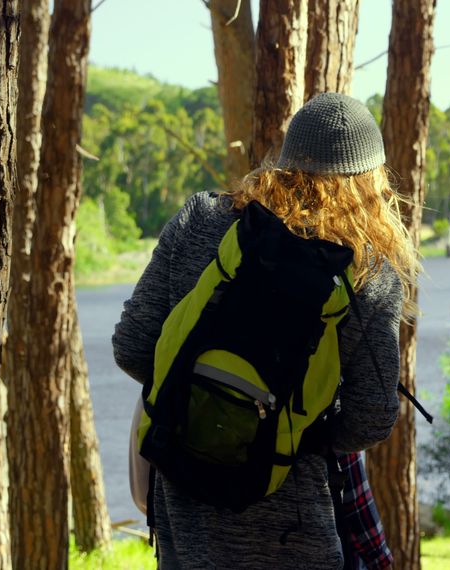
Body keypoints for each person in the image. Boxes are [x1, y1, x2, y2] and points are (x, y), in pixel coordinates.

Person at [112, 92, 419, 569]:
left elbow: (133, 348)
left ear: (285, 158)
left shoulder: (201, 219)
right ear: (373, 179)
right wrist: (287, 425)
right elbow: (371, 418)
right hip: (295, 524)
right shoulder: (367, 266)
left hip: (186, 508)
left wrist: (204, 406)